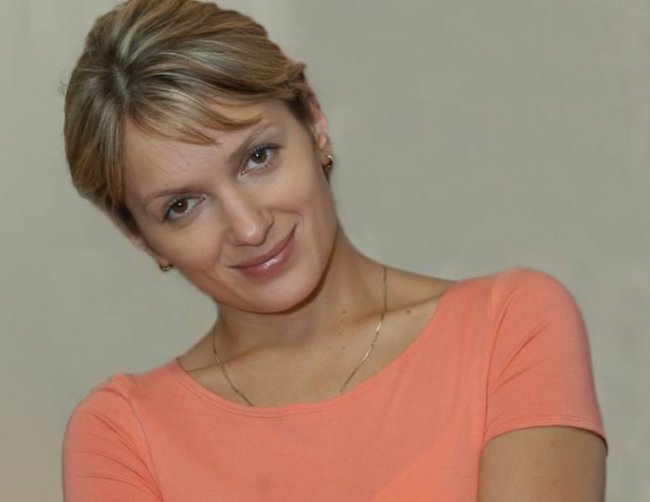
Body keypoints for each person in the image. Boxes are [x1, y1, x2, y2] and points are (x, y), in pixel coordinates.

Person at [61, 0, 607, 500]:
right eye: (182, 205)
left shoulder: (508, 327)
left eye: (258, 157)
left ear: (315, 122)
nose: (249, 227)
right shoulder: (122, 437)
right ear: (138, 235)